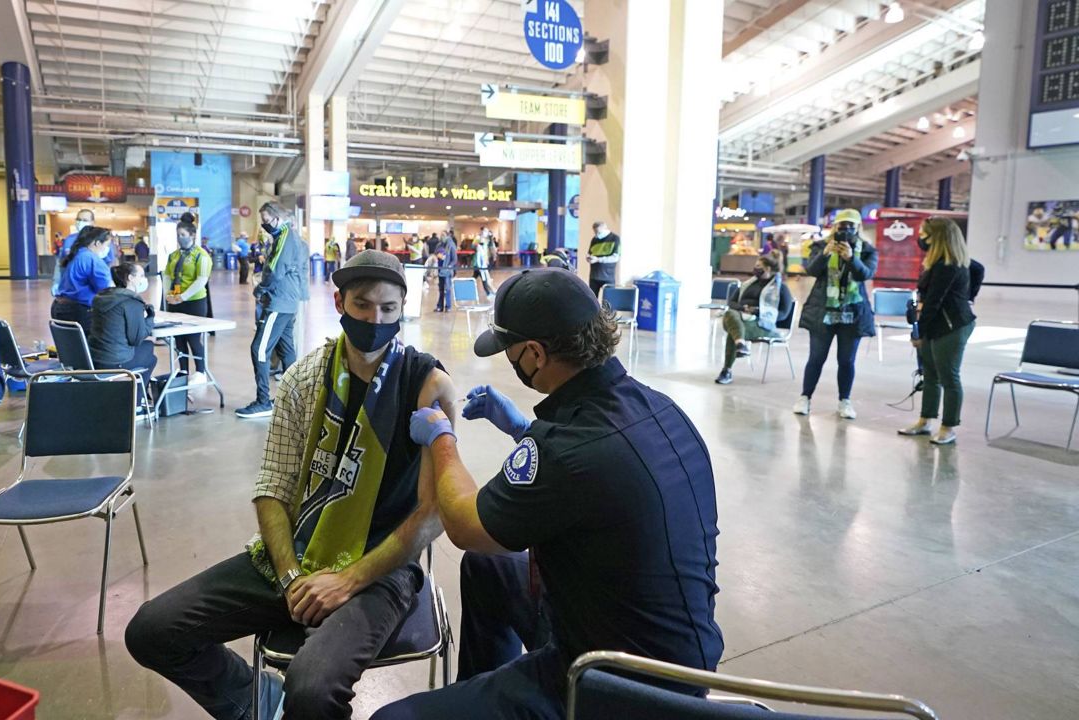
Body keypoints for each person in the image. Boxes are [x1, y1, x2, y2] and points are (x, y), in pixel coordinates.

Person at [376, 268, 723, 719]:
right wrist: (525, 429)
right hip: (681, 659)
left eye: (512, 352)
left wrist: (442, 437)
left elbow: (467, 525)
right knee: (492, 568)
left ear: (536, 354)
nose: (510, 362)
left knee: (392, 719)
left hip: (614, 685)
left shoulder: (566, 452)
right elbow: (591, 475)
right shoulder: (659, 407)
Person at [126, 250, 458, 720]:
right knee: (151, 630)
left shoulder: (427, 385)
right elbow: (273, 487)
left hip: (380, 569)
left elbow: (433, 512)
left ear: (403, 307)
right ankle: (253, 699)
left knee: (313, 688)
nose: (375, 319)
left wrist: (347, 580)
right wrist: (291, 577)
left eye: (388, 308)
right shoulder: (305, 377)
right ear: (339, 301)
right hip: (298, 553)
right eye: (362, 305)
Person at [898, 218, 978, 445]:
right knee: (931, 375)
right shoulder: (938, 262)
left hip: (952, 325)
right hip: (937, 323)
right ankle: (925, 421)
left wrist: (918, 334)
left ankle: (948, 427)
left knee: (948, 376)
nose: (920, 239)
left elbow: (933, 302)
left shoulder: (948, 265)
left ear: (938, 237)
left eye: (924, 234)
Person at [793, 209, 878, 419]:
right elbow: (811, 271)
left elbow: (865, 274)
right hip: (823, 311)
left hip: (852, 312)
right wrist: (825, 255)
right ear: (835, 227)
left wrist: (851, 258)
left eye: (851, 226)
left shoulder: (867, 250)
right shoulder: (821, 246)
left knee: (847, 361)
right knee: (816, 358)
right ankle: (805, 397)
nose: (846, 230)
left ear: (858, 227)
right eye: (842, 225)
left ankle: (844, 401)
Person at [236, 202, 310, 419]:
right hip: (289, 301)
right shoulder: (291, 238)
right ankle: (294, 399)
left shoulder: (285, 237)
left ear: (278, 218)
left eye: (267, 221)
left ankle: (263, 401)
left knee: (259, 349)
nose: (264, 225)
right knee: (287, 350)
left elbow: (276, 270)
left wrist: (261, 288)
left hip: (279, 301)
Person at [714, 253, 794, 385]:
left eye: (758, 266)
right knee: (731, 314)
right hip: (742, 317)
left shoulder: (780, 288)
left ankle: (727, 369)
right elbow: (731, 302)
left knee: (734, 331)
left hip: (763, 324)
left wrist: (758, 311)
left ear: (767, 269)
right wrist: (743, 308)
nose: (755, 268)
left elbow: (784, 314)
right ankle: (740, 344)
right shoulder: (749, 284)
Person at [89, 261, 157, 390]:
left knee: (147, 347)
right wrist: (150, 318)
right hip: (115, 361)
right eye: (141, 276)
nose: (144, 279)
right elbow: (136, 339)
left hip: (95, 357)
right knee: (150, 355)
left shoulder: (103, 297)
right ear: (131, 278)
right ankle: (136, 400)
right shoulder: (131, 302)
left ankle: (133, 395)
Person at [163, 222, 213, 385]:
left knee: (193, 337)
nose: (180, 238)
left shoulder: (201, 255)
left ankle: (200, 371)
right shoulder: (173, 255)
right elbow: (168, 276)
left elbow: (201, 280)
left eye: (183, 235)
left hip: (194, 301)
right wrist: (168, 295)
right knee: (179, 339)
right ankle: (183, 370)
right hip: (175, 301)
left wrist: (183, 296)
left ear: (192, 235)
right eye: (178, 235)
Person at [51, 226, 114, 335]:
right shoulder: (92, 260)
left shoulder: (77, 254)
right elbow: (107, 291)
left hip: (60, 308)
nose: (107, 249)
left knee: (70, 346)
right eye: (107, 245)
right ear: (97, 243)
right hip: (79, 312)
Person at [586, 221, 621, 296]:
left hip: (607, 276)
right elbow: (590, 253)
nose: (597, 235)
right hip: (594, 276)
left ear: (605, 229)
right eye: (595, 232)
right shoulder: (594, 240)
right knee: (592, 299)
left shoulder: (615, 239)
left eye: (598, 232)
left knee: (608, 301)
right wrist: (589, 258)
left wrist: (598, 259)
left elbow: (615, 258)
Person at [435, 231, 458, 312]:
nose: (442, 237)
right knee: (441, 289)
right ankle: (440, 306)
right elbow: (436, 253)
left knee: (447, 289)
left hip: (447, 271)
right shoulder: (439, 245)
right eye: (441, 235)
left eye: (443, 235)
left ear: (447, 236)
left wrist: (449, 266)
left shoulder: (451, 245)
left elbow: (454, 259)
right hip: (440, 270)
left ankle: (448, 306)